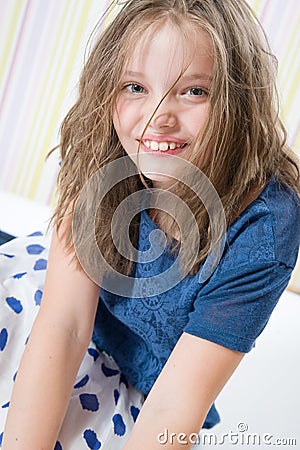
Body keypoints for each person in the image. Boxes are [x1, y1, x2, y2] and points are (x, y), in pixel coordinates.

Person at [1, 0, 300, 448]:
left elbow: (174, 406)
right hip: (53, 301)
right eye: (135, 86)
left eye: (195, 91)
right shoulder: (101, 144)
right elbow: (63, 324)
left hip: (149, 384)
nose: (158, 115)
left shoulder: (265, 225)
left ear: (238, 101)